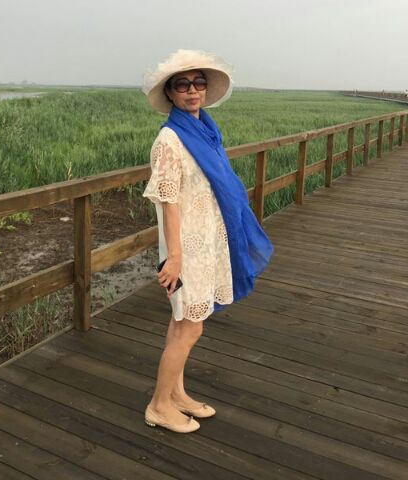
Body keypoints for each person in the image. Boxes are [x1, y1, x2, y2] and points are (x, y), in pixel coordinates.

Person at [141, 49, 274, 433]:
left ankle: (177, 394)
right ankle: (159, 405)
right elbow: (168, 202)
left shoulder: (206, 132)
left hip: (204, 243)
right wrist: (175, 258)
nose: (192, 90)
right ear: (170, 93)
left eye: (198, 83)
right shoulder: (170, 139)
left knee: (181, 321)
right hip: (185, 249)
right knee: (191, 328)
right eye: (182, 85)